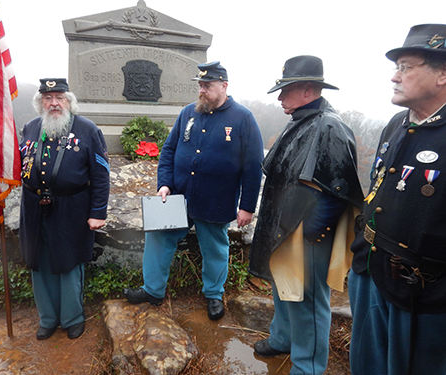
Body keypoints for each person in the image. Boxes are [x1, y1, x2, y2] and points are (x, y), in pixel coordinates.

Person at [248, 55, 363, 374]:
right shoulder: (301, 119)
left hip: (308, 236)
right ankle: (282, 338)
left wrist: (310, 235)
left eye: (286, 90)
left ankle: (307, 367)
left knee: (308, 301)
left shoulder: (330, 126)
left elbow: (339, 190)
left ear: (308, 90)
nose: (280, 97)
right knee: (282, 286)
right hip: (286, 228)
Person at [123, 61, 264, 320]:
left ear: (224, 85)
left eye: (207, 86)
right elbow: (168, 151)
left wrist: (247, 206)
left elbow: (253, 166)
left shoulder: (243, 118)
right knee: (159, 239)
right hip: (178, 196)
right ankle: (153, 290)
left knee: (215, 249)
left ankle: (213, 294)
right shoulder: (189, 112)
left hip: (216, 200)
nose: (202, 91)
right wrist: (164, 183)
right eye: (200, 85)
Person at [349, 24, 446, 375]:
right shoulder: (395, 123)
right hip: (369, 269)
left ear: (442, 75)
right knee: (366, 363)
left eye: (406, 66)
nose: (394, 76)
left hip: (423, 292)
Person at [19, 78, 110, 340]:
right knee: (39, 261)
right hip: (34, 208)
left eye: (59, 97)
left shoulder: (87, 129)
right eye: (48, 98)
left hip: (72, 207)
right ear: (41, 102)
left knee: (69, 262)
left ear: (69, 100)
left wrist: (98, 212)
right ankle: (48, 318)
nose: (54, 103)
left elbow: (101, 175)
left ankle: (72, 318)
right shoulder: (31, 128)